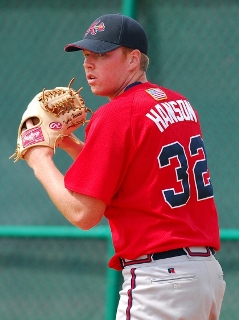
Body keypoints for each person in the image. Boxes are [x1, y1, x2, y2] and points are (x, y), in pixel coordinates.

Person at [24, 13, 225, 320]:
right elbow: (136, 176)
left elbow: (84, 214)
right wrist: (72, 145)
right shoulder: (179, 103)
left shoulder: (116, 114)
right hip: (205, 277)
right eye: (87, 55)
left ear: (134, 59)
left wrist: (39, 159)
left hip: (160, 281)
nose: (89, 64)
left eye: (102, 55)